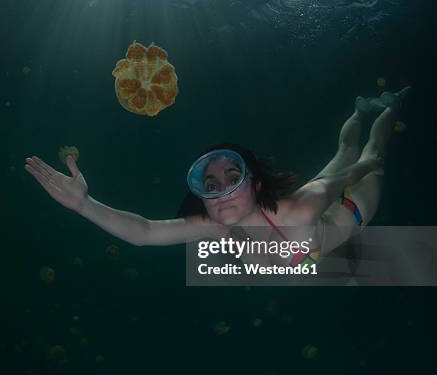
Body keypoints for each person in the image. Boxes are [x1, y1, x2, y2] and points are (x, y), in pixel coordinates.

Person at [24, 88, 411, 262]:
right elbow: (144, 232)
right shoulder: (213, 227)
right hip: (309, 243)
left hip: (350, 209)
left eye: (231, 178)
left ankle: (389, 106)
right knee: (342, 150)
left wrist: (368, 168)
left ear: (256, 184)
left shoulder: (301, 209)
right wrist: (84, 205)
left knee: (365, 153)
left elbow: (342, 179)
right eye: (210, 186)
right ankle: (360, 110)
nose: (222, 191)